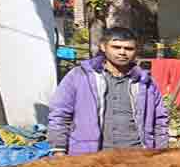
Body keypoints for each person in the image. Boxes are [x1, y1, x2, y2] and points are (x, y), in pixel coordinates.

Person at [48, 27, 169, 156]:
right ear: (103, 47)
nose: (122, 52)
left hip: (137, 155)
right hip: (90, 156)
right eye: (116, 47)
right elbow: (59, 114)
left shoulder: (145, 82)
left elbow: (160, 120)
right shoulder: (79, 76)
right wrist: (58, 149)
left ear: (136, 51)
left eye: (129, 49)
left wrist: (161, 153)